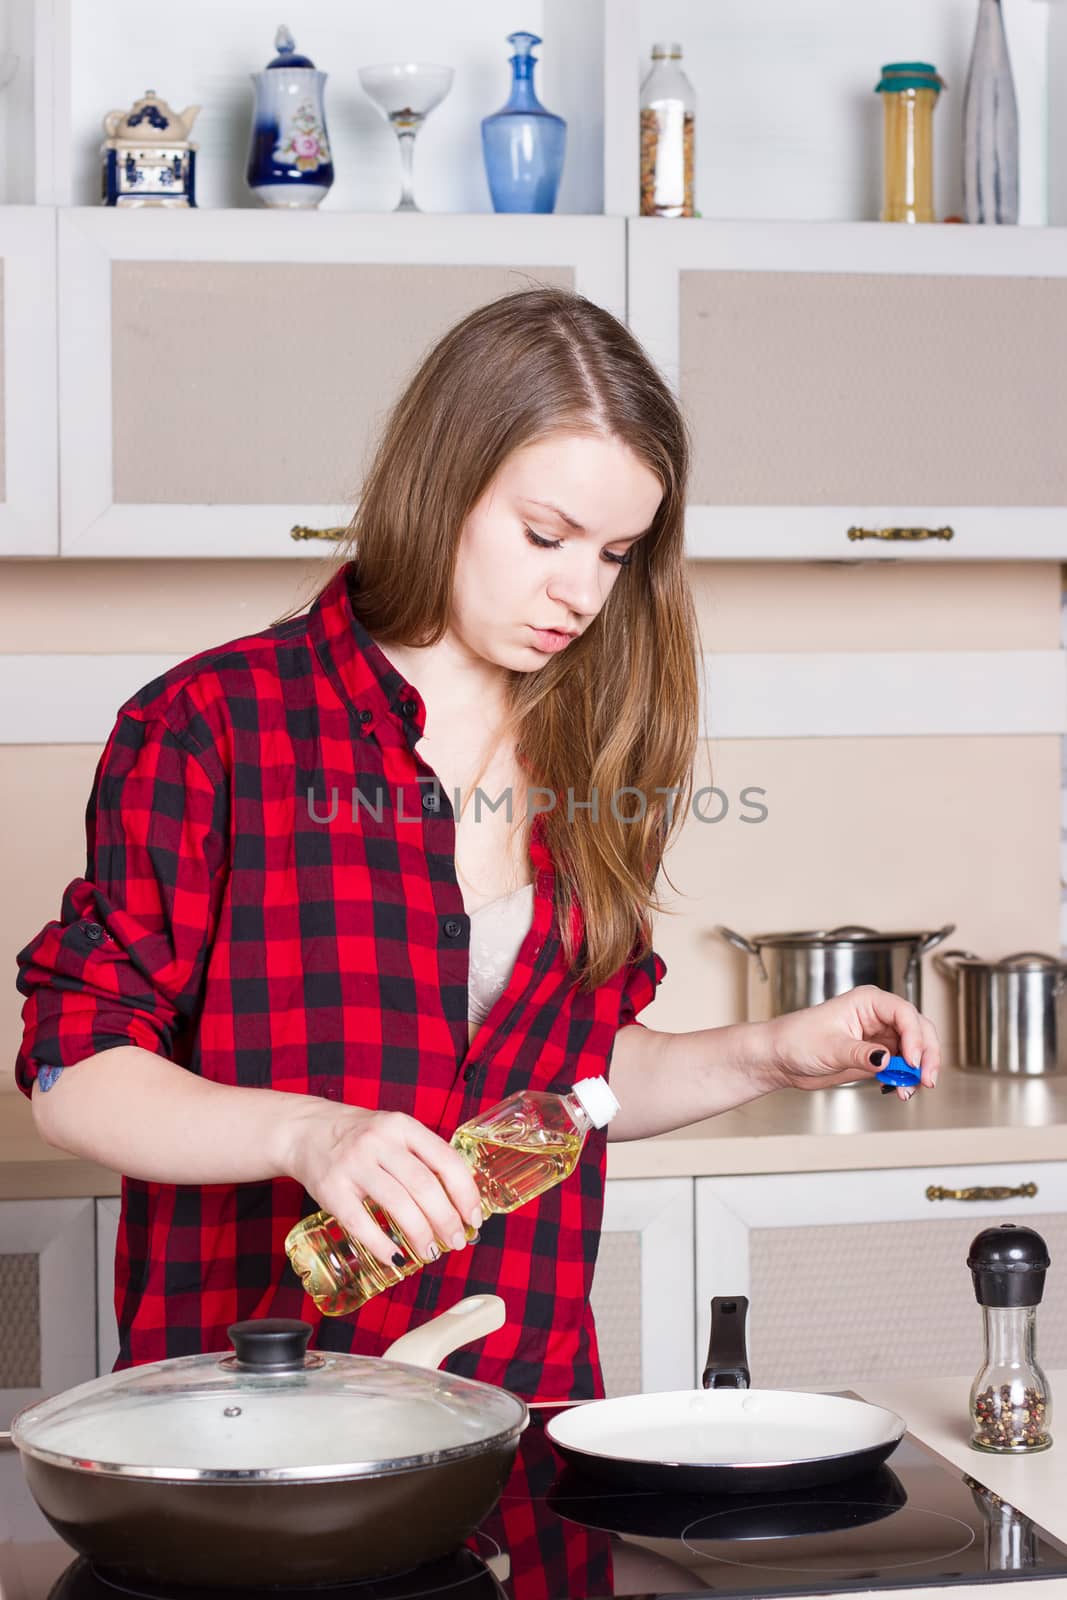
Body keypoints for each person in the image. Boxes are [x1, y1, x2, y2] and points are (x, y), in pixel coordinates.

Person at [14, 287, 941, 1400]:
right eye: (545, 536)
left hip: (520, 1395)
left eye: (615, 554)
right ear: (442, 482)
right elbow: (73, 1071)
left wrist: (773, 1053)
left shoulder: (595, 754)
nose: (578, 592)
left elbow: (576, 1077)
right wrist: (307, 1134)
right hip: (246, 1415)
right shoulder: (213, 724)